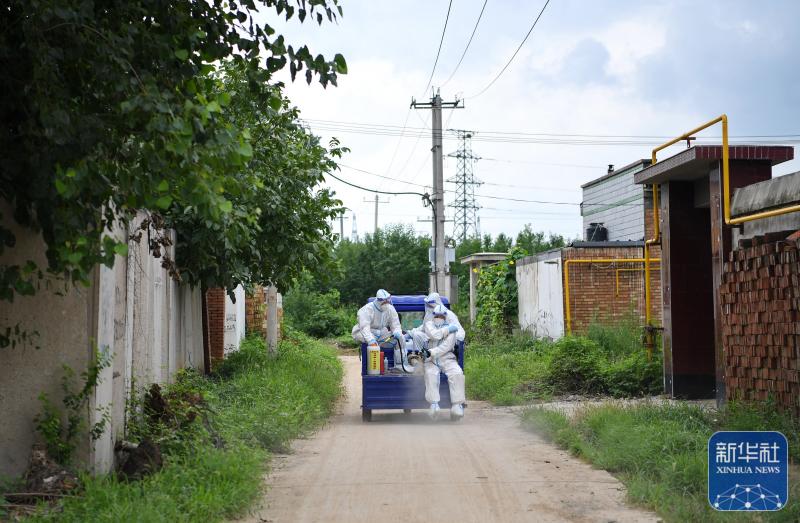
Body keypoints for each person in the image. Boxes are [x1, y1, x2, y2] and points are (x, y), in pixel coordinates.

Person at [422, 304, 465, 420]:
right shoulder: (429, 324)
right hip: (431, 360)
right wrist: (447, 330)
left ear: (445, 316)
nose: (439, 318)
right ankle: (434, 405)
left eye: (441, 316)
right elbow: (434, 335)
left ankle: (457, 405)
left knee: (457, 373)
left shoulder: (453, 328)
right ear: (433, 315)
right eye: (437, 316)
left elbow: (447, 346)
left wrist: (431, 352)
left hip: (447, 358)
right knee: (430, 374)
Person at [351, 289, 411, 371]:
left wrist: (397, 332)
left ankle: (400, 364)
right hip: (365, 333)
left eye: (387, 301)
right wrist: (370, 340)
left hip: (382, 334)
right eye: (384, 301)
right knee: (372, 344)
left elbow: (395, 324)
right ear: (379, 300)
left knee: (400, 337)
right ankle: (373, 369)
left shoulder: (390, 309)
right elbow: (365, 328)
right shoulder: (367, 309)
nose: (387, 303)